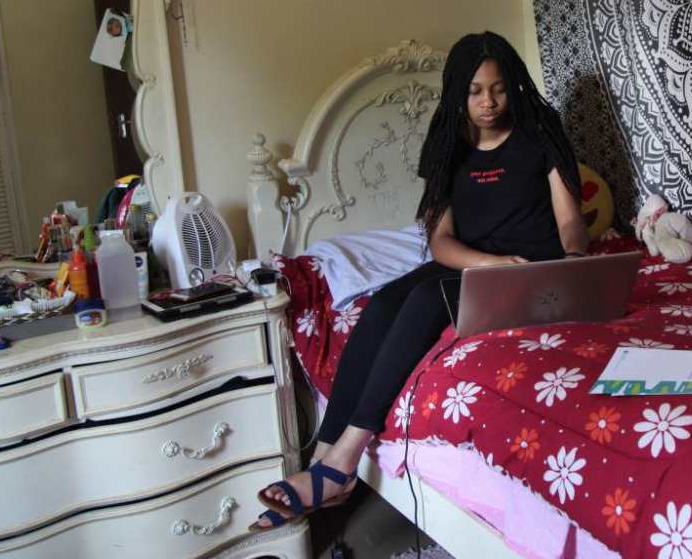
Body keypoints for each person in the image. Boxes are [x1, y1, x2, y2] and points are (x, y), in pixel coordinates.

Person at [252, 31, 590, 532]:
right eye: (476, 91)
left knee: (424, 299)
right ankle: (322, 458)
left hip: (530, 268)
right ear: (458, 92)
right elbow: (441, 241)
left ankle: (344, 460)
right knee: (385, 301)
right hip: (471, 263)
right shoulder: (446, 147)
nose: (489, 102)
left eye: (498, 89)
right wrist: (485, 264)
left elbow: (569, 220)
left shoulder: (540, 136)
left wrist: (574, 261)